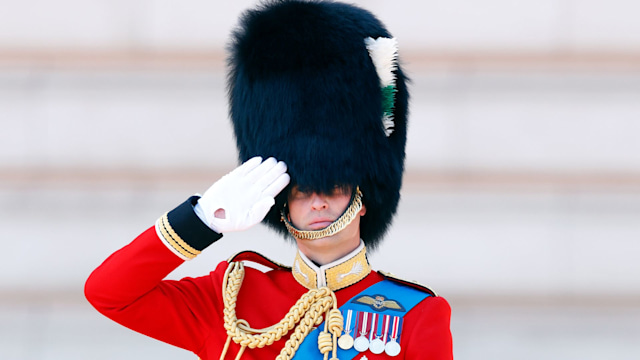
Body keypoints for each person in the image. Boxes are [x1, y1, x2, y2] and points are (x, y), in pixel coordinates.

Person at [85, 1, 453, 359]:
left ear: (363, 198)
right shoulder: (229, 296)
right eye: (301, 191)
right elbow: (108, 293)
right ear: (281, 205)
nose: (318, 202)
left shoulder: (414, 314)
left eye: (334, 187)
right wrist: (201, 221)